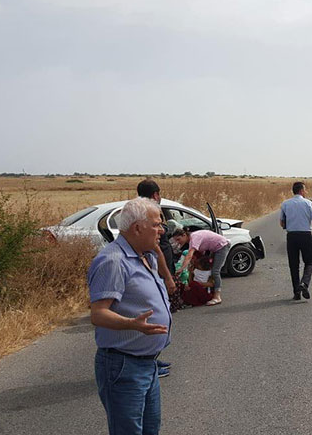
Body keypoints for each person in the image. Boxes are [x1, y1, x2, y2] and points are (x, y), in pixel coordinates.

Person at [87, 197, 171, 435]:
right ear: (137, 228)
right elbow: (98, 313)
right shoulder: (113, 261)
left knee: (149, 430)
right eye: (156, 224)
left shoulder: (146, 255)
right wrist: (132, 324)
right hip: (123, 365)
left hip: (147, 363)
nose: (162, 230)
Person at [136, 179, 175, 378]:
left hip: (154, 270)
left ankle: (152, 359)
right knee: (154, 316)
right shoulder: (149, 212)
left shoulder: (142, 210)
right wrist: (168, 277)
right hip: (154, 270)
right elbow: (156, 248)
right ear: (156, 194)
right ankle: (149, 365)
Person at [279, 181, 312, 300]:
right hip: (305, 235)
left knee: (293, 265)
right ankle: (304, 283)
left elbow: (281, 223)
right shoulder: (308, 203)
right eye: (304, 190)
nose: (305, 192)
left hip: (291, 236)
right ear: (301, 191)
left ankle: (296, 292)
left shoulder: (285, 204)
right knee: (309, 262)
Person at [172, 229, 230, 306]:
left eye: (179, 239)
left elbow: (189, 255)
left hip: (222, 246)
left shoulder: (194, 238)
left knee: (215, 271)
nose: (178, 242)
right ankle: (210, 292)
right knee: (208, 270)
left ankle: (217, 296)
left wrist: (182, 269)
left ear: (184, 235)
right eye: (176, 240)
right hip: (214, 249)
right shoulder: (192, 239)